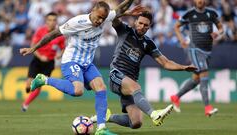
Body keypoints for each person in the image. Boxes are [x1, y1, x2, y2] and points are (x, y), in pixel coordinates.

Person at [20, 1, 137, 135]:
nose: (100, 21)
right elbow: (53, 34)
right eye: (98, 17)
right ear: (92, 10)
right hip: (71, 61)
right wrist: (33, 48)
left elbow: (120, 8)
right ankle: (44, 80)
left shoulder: (105, 17)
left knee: (101, 88)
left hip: (87, 63)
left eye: (103, 19)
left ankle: (101, 128)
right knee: (78, 91)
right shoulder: (77, 22)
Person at [91, 11, 197, 129]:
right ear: (135, 22)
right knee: (136, 87)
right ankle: (154, 114)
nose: (142, 26)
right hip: (116, 74)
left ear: (149, 27)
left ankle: (106, 117)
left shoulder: (148, 43)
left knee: (136, 122)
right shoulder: (125, 30)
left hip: (129, 82)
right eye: (140, 23)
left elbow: (166, 63)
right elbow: (113, 17)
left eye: (146, 25)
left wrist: (183, 67)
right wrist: (128, 11)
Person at [170, 0, 224, 117]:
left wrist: (217, 33)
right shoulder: (189, 14)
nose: (200, 1)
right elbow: (176, 26)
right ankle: (207, 108)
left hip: (207, 51)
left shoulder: (211, 13)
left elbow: (221, 28)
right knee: (204, 73)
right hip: (195, 49)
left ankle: (176, 97)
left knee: (196, 79)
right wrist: (181, 39)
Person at [22, 12, 65, 112]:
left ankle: (25, 105)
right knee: (29, 84)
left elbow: (63, 48)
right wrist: (41, 57)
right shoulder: (40, 31)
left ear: (56, 21)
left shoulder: (59, 35)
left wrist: (60, 54)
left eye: (54, 20)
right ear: (46, 21)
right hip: (37, 61)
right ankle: (28, 87)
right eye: (49, 20)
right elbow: (33, 45)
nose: (52, 22)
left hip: (49, 64)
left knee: (39, 86)